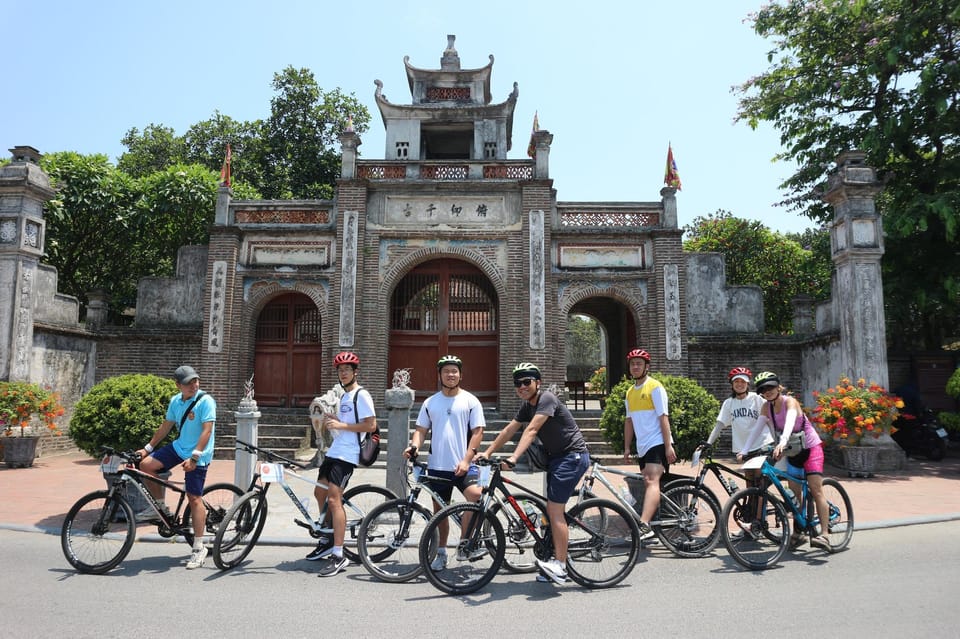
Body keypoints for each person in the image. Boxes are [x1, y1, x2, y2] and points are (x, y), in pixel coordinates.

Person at [477, 362, 590, 585]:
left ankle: (561, 566)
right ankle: (550, 559)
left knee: (554, 511)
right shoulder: (527, 406)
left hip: (572, 457)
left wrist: (513, 458)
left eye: (527, 382)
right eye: (517, 383)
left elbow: (532, 430)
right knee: (549, 509)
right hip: (557, 459)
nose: (522, 386)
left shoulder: (546, 398)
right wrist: (487, 452)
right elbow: (510, 429)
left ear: (537, 383)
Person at [404, 355, 485, 571]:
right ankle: (440, 553)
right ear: (440, 375)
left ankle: (465, 544)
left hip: (464, 465)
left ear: (461, 374)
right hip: (438, 465)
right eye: (446, 371)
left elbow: (478, 432)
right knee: (440, 511)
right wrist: (414, 446)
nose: (451, 374)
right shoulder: (431, 402)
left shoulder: (470, 401)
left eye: (455, 371)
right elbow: (421, 430)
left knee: (475, 496)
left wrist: (467, 460)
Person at [738, 371, 833, 551]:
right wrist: (744, 450)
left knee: (816, 489)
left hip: (810, 449)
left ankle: (825, 534)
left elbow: (789, 423)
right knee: (795, 495)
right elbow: (757, 429)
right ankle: (800, 532)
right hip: (792, 452)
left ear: (778, 386)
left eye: (771, 387)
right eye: (763, 389)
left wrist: (781, 443)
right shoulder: (766, 407)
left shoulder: (790, 402)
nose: (768, 391)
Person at [136, 365, 216, 570]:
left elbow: (207, 432)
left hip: (199, 453)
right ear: (178, 385)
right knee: (145, 465)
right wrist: (148, 448)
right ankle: (160, 506)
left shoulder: (205, 401)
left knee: (194, 498)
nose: (194, 385)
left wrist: (195, 457)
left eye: (196, 381)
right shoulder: (175, 401)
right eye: (189, 383)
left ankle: (199, 547)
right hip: (179, 447)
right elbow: (166, 426)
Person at [305, 351, 377, 577]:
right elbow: (344, 423)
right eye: (340, 370)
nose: (343, 373)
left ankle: (339, 554)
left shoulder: (361, 395)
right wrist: (331, 424)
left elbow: (370, 425)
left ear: (355, 372)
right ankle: (327, 539)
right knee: (319, 493)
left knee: (334, 500)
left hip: (348, 455)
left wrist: (342, 426)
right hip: (335, 451)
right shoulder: (344, 397)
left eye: (347, 370)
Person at [621, 348, 676, 542]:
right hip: (642, 445)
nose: (635, 367)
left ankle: (643, 526)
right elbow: (629, 421)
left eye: (639, 363)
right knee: (648, 483)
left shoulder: (655, 387)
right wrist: (627, 448)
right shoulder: (629, 392)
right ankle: (653, 528)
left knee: (652, 481)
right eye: (632, 364)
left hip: (657, 442)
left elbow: (663, 417)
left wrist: (668, 445)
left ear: (646, 367)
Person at [700, 366, 772, 485]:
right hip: (744, 448)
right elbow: (720, 424)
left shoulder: (757, 399)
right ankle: (751, 504)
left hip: (761, 444)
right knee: (749, 480)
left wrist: (778, 439)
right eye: (736, 381)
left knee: (759, 481)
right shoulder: (729, 403)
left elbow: (769, 420)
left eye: (743, 381)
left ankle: (759, 504)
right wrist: (709, 443)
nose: (740, 384)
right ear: (732, 384)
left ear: (748, 384)